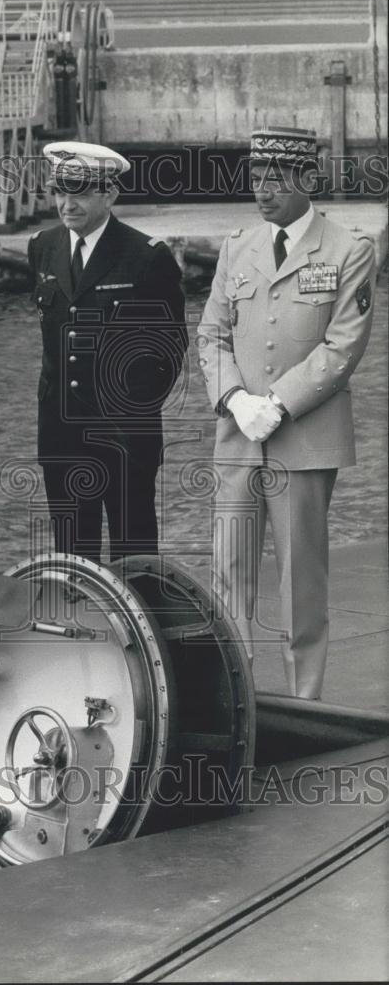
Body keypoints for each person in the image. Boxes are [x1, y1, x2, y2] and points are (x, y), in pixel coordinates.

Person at [196, 125, 376, 699]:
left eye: (276, 178)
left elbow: (343, 345)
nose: (262, 189)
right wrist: (235, 399)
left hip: (303, 439)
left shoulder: (349, 250)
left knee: (300, 582)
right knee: (228, 577)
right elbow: (210, 335)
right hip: (239, 437)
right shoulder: (236, 248)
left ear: (306, 178)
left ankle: (306, 704)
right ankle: (236, 704)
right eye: (256, 176)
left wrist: (277, 402)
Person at [28, 141, 187, 563]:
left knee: (133, 558)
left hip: (124, 437)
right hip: (61, 435)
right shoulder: (43, 247)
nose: (67, 203)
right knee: (71, 561)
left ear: (109, 194)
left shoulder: (145, 257)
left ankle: (139, 629)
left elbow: (169, 351)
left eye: (79, 192)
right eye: (60, 191)